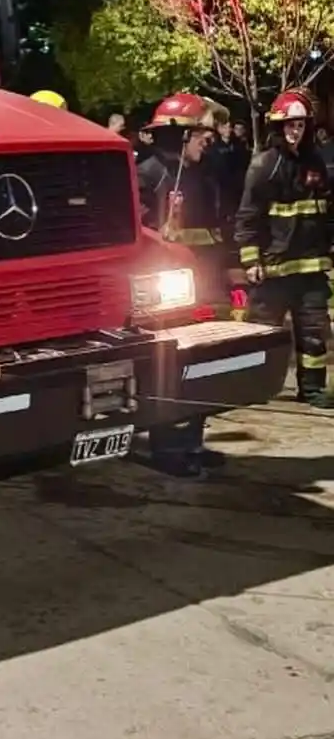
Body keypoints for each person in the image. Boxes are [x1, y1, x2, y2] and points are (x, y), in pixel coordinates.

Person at [136, 91, 231, 477]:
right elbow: (137, 236)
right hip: (166, 295)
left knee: (200, 367)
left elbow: (210, 234)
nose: (207, 142)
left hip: (201, 288)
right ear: (179, 136)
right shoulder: (149, 174)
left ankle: (193, 440)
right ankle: (169, 448)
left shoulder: (200, 176)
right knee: (171, 369)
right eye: (200, 136)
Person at [235, 88, 334, 410]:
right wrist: (251, 260)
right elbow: (248, 217)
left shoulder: (316, 164)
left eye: (301, 125)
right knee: (262, 334)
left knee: (315, 335)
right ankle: (252, 389)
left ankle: (313, 390)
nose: (296, 131)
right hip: (274, 270)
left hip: (312, 269)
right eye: (290, 125)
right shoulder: (264, 166)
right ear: (278, 127)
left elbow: (326, 212)